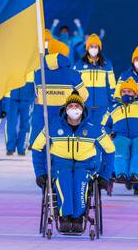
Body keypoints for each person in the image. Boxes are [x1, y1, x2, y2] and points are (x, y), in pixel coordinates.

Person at [32, 91, 115, 233]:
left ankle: (78, 217)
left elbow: (110, 150)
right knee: (64, 179)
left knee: (79, 180)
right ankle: (65, 216)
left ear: (83, 108)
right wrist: (40, 172)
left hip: (86, 166)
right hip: (60, 165)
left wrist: (105, 175)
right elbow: (37, 147)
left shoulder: (94, 128)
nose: (74, 108)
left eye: (77, 105)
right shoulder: (52, 126)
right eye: (71, 105)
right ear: (65, 109)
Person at [29, 30, 89, 147]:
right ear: (64, 54)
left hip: (42, 118)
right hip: (63, 119)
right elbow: (85, 95)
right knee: (60, 152)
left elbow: (37, 95)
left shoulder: (38, 73)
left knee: (42, 152)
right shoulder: (72, 74)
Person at [102, 77, 138, 195]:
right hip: (121, 136)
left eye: (129, 91)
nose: (126, 94)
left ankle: (136, 175)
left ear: (135, 93)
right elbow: (107, 125)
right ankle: (121, 174)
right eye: (123, 92)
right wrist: (108, 135)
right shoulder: (115, 108)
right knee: (119, 148)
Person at [72, 34, 116, 124]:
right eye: (91, 46)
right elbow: (73, 85)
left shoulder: (107, 65)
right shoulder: (79, 65)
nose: (93, 49)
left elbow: (111, 86)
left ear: (99, 48)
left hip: (103, 107)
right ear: (87, 48)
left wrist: (113, 103)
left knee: (101, 132)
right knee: (84, 133)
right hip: (84, 106)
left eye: (96, 46)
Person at [5, 72, 35, 156]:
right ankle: (10, 147)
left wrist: (37, 94)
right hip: (13, 92)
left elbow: (39, 76)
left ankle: (22, 147)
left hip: (28, 93)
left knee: (25, 123)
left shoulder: (34, 60)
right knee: (11, 122)